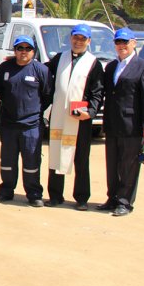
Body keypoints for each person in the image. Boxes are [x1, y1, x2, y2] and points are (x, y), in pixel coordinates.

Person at [45, 23, 104, 210]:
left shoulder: (94, 63)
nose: (78, 42)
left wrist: (92, 112)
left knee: (80, 158)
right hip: (59, 116)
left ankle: (81, 198)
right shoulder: (59, 58)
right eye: (76, 38)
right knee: (55, 153)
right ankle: (55, 195)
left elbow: (97, 91)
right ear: (70, 38)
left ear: (89, 41)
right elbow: (45, 75)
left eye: (82, 39)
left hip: (80, 119)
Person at [99, 28, 144, 217]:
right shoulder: (111, 67)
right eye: (118, 42)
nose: (121, 46)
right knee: (112, 163)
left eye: (125, 42)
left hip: (132, 125)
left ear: (134, 43)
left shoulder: (143, 67)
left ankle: (125, 202)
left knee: (129, 165)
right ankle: (112, 198)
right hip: (113, 123)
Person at [0, 36, 51, 207]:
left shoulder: (41, 70)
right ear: (15, 50)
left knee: (31, 161)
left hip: (31, 126)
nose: (23, 52)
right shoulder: (5, 68)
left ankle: (33, 193)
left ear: (33, 51)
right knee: (8, 161)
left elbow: (47, 95)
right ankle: (6, 190)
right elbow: (1, 91)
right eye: (20, 48)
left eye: (27, 49)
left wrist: (32, 111)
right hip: (9, 124)